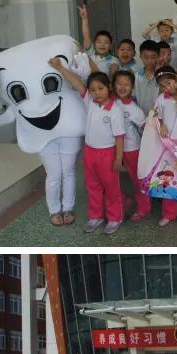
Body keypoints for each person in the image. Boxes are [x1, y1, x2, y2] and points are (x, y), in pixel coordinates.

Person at [49, 59, 126, 236]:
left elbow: (119, 137)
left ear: (109, 88)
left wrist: (118, 158)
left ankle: (115, 218)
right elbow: (76, 82)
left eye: (100, 88)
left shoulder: (115, 110)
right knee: (92, 185)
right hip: (90, 152)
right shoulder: (90, 102)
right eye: (92, 90)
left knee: (111, 188)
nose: (96, 93)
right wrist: (60, 67)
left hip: (108, 153)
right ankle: (95, 216)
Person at [112, 69, 151, 223]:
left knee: (137, 180)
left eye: (126, 85)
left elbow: (146, 129)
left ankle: (144, 207)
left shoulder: (135, 109)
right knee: (110, 179)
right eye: (119, 84)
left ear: (132, 87)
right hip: (110, 148)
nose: (122, 87)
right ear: (113, 85)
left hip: (131, 148)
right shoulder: (110, 101)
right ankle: (124, 200)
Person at [153, 65, 177, 229]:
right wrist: (161, 124)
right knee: (166, 179)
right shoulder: (161, 98)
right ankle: (169, 213)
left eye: (169, 83)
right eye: (163, 85)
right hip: (167, 145)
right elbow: (157, 116)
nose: (166, 88)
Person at [78, 4, 118, 75]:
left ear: (111, 46)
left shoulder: (114, 60)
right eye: (99, 42)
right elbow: (86, 36)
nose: (102, 45)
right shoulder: (90, 53)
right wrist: (84, 19)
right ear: (94, 44)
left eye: (106, 42)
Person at [134, 40, 161, 116]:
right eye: (146, 57)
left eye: (153, 57)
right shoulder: (136, 77)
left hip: (158, 117)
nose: (149, 60)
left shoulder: (161, 77)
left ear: (158, 56)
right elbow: (133, 98)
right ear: (140, 56)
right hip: (140, 117)